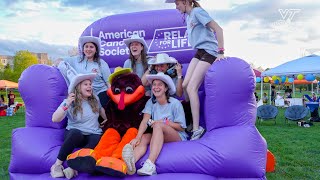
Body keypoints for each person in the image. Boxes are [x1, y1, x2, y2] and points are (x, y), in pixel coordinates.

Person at [166, 0, 225, 140]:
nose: (176, 7)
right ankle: (192, 120)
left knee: (192, 87)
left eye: (177, 3)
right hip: (199, 52)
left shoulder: (198, 12)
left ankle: (197, 128)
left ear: (186, 2)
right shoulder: (188, 16)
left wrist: (221, 52)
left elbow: (219, 29)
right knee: (186, 85)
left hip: (209, 52)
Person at [122, 72, 188, 176]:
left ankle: (150, 164)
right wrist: (137, 137)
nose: (156, 87)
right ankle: (130, 163)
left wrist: (163, 122)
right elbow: (145, 121)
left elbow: (181, 127)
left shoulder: (175, 103)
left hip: (177, 135)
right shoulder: (151, 103)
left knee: (157, 126)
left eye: (160, 85)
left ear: (166, 88)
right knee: (144, 137)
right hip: (159, 133)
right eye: (154, 84)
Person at [50, 72, 107, 179]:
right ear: (78, 87)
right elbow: (55, 119)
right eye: (86, 84)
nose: (89, 86)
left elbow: (101, 109)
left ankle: (73, 168)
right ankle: (57, 165)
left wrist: (107, 119)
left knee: (98, 137)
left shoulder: (95, 99)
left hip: (92, 134)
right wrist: (66, 104)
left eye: (90, 84)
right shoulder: (70, 101)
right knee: (75, 133)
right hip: (75, 134)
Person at [55, 36, 111, 106]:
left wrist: (113, 96)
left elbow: (108, 83)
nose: (88, 49)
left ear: (96, 50)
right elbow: (60, 60)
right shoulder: (76, 60)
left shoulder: (101, 63)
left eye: (91, 47)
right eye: (86, 46)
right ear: (83, 49)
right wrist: (55, 67)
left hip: (100, 93)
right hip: (83, 95)